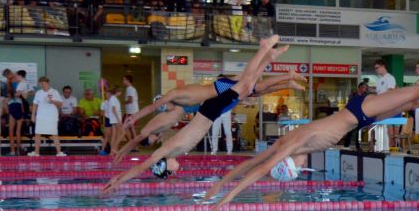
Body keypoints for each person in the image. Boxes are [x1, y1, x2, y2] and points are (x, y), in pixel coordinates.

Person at [206, 57, 419, 204]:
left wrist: (229, 196)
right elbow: (252, 163)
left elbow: (262, 169)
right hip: (361, 118)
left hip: (360, 110)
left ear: (290, 163)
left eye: (297, 169)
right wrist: (220, 185)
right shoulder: (290, 145)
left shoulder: (294, 144)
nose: (302, 167)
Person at [102, 35, 287, 193]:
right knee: (246, 87)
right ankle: (269, 56)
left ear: (164, 165)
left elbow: (141, 167)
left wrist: (118, 180)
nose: (174, 172)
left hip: (208, 112)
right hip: (210, 113)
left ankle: (264, 49)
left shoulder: (163, 152)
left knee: (246, 83)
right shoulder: (171, 152)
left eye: (170, 172)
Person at [113, 69, 305, 159]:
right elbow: (142, 134)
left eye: (163, 105)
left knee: (256, 87)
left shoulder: (175, 96)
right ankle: (287, 83)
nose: (165, 108)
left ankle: (288, 76)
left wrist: (135, 117)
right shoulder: (177, 109)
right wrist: (121, 151)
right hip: (215, 98)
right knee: (255, 91)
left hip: (217, 88)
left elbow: (151, 109)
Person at [30, 77, 65, 156]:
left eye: (43, 83)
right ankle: (36, 152)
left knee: (54, 134)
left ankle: (59, 152)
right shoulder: (38, 93)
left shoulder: (54, 92)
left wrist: (53, 101)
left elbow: (61, 104)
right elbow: (35, 104)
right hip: (41, 116)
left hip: (51, 116)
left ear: (48, 83)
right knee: (37, 134)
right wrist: (33, 115)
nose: (42, 85)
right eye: (41, 84)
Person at [100, 85, 123, 155]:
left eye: (108, 93)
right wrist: (117, 119)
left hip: (113, 119)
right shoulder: (107, 102)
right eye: (106, 93)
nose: (107, 95)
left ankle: (113, 150)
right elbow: (112, 110)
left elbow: (114, 110)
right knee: (109, 135)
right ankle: (107, 150)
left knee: (115, 135)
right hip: (110, 119)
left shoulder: (113, 99)